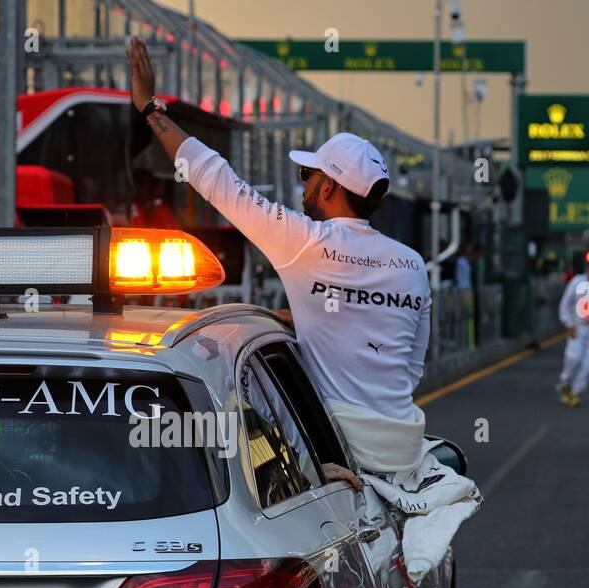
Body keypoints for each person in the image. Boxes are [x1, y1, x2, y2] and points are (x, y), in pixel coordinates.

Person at [124, 36, 428, 434]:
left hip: (341, 453)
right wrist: (315, 324)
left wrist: (150, 108)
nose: (302, 186)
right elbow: (410, 368)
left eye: (308, 175)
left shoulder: (304, 242)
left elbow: (216, 178)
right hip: (401, 442)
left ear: (328, 189)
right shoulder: (412, 264)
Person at [556, 249, 589, 406]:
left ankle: (576, 392)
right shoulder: (577, 282)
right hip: (579, 327)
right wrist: (569, 324)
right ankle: (565, 383)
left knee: (588, 364)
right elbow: (565, 304)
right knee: (573, 358)